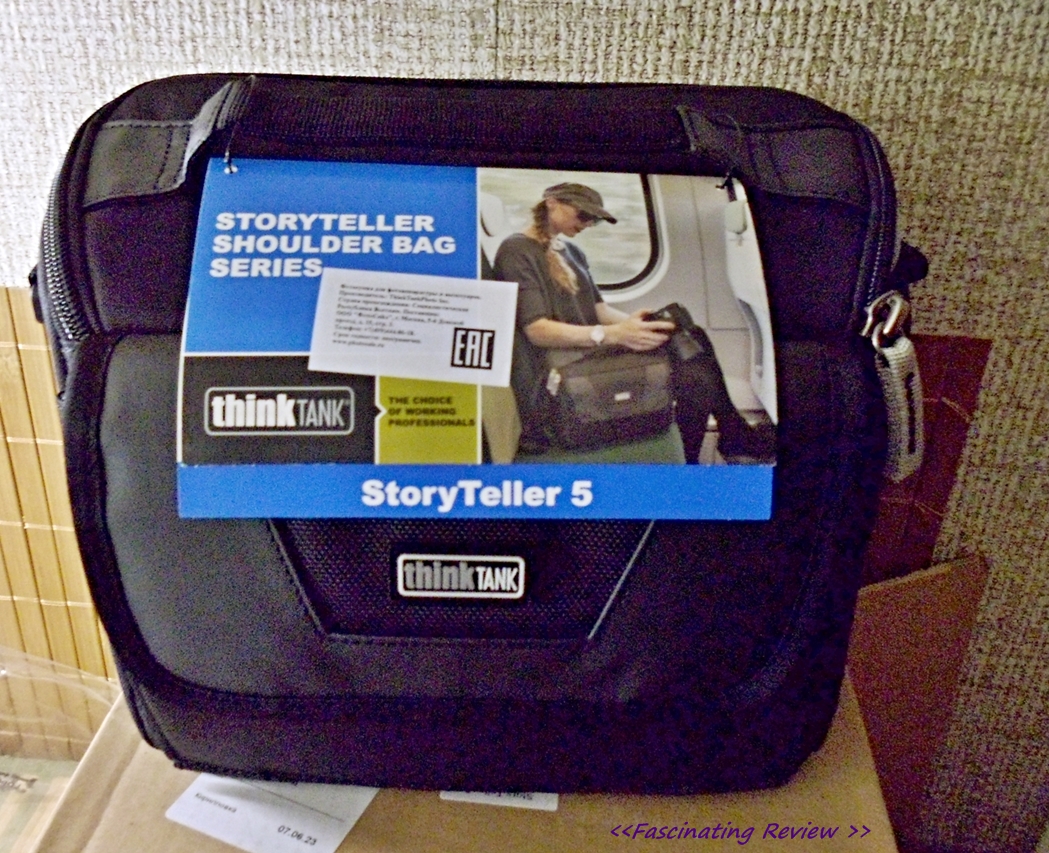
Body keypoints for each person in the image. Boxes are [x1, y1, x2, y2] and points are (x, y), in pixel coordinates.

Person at [491, 181, 769, 462]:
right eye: (583, 215)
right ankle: (721, 443)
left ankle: (726, 438)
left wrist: (636, 326)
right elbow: (537, 330)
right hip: (558, 363)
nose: (588, 224)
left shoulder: (571, 251)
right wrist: (615, 335)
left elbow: (598, 309)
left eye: (595, 220)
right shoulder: (517, 250)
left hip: (587, 349)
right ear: (552, 203)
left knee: (690, 335)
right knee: (692, 376)